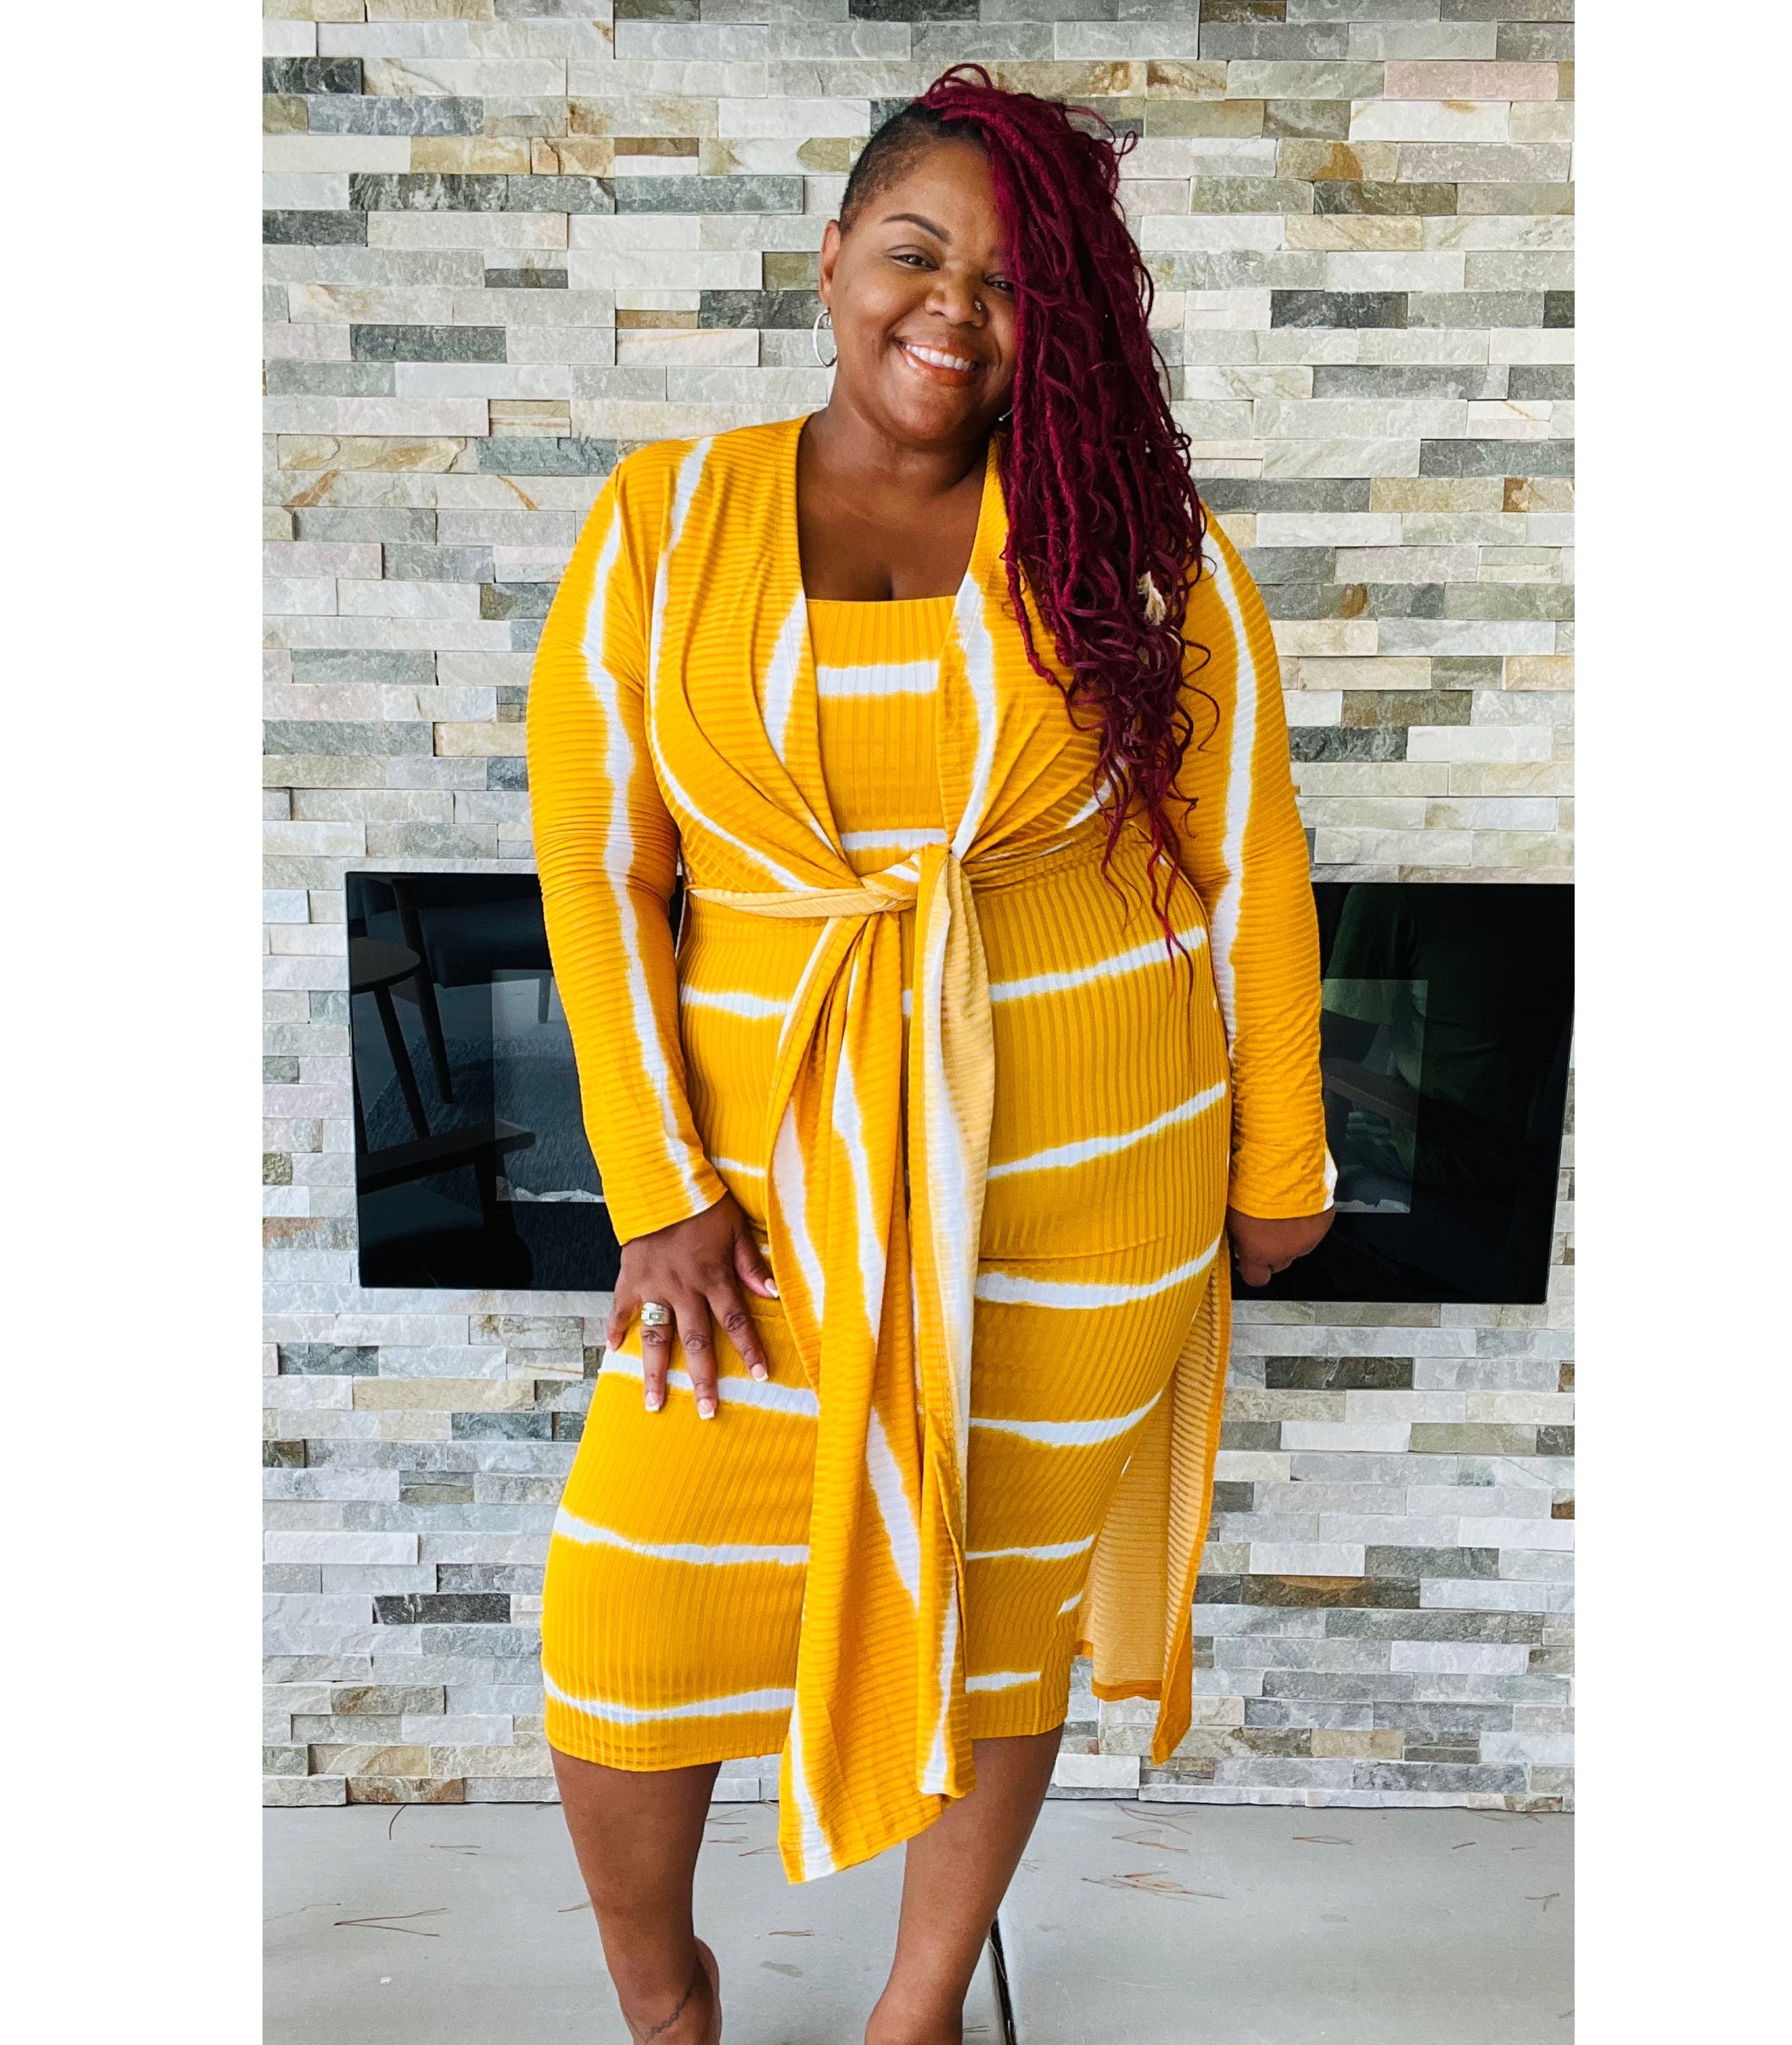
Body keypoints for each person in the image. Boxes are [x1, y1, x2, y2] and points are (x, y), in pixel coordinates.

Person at [525, 66, 1335, 2045]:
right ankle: (669, 2003)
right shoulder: (663, 525)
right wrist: (659, 1195)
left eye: (1012, 279)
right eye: (914, 251)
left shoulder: (1132, 544)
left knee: (996, 1612)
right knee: (625, 1619)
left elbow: (1248, 858)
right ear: (831, 263)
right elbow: (601, 874)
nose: (953, 305)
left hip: (1084, 1180)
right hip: (760, 1207)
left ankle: (916, 2012)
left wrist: (1278, 1167)